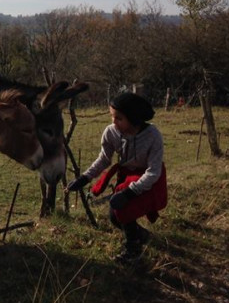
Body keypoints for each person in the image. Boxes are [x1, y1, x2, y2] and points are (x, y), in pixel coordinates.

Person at [67, 92, 167, 264]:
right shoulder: (111, 132)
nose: (114, 122)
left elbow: (153, 172)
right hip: (126, 176)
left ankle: (133, 251)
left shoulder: (152, 136)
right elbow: (104, 159)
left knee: (123, 211)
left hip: (149, 180)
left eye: (119, 118)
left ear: (133, 117)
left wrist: (129, 193)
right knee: (114, 217)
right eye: (112, 116)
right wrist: (85, 177)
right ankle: (141, 235)